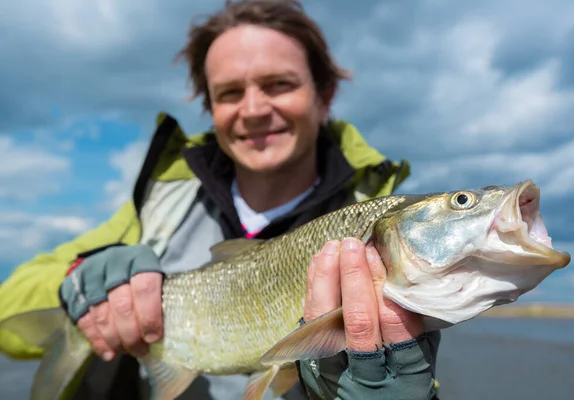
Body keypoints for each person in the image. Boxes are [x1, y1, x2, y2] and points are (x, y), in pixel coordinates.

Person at [0, 0, 440, 399]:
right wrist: (77, 281)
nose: (253, 109)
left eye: (279, 84)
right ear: (211, 108)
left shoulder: (384, 228)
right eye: (229, 93)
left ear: (324, 96)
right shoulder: (160, 203)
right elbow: (9, 309)